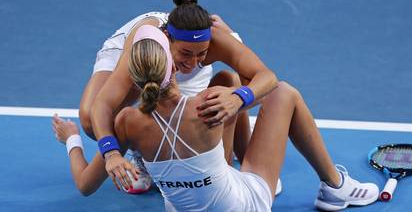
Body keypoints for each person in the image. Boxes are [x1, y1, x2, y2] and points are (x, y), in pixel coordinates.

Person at [53, 25, 379, 211]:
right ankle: (334, 187)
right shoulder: (208, 106)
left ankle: (148, 170)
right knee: (284, 93)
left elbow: (84, 186)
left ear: (133, 79)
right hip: (244, 206)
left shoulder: (125, 123)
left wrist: (72, 139)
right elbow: (266, 83)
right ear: (174, 67)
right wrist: (238, 97)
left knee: (225, 87)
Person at [79, 0, 277, 193]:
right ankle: (139, 151)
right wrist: (111, 153)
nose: (192, 63)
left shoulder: (214, 41)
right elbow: (103, 104)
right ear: (167, 40)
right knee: (90, 121)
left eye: (202, 54)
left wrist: (237, 98)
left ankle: (243, 159)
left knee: (240, 85)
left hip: (179, 70)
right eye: (186, 53)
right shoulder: (144, 47)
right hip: (131, 54)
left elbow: (267, 78)